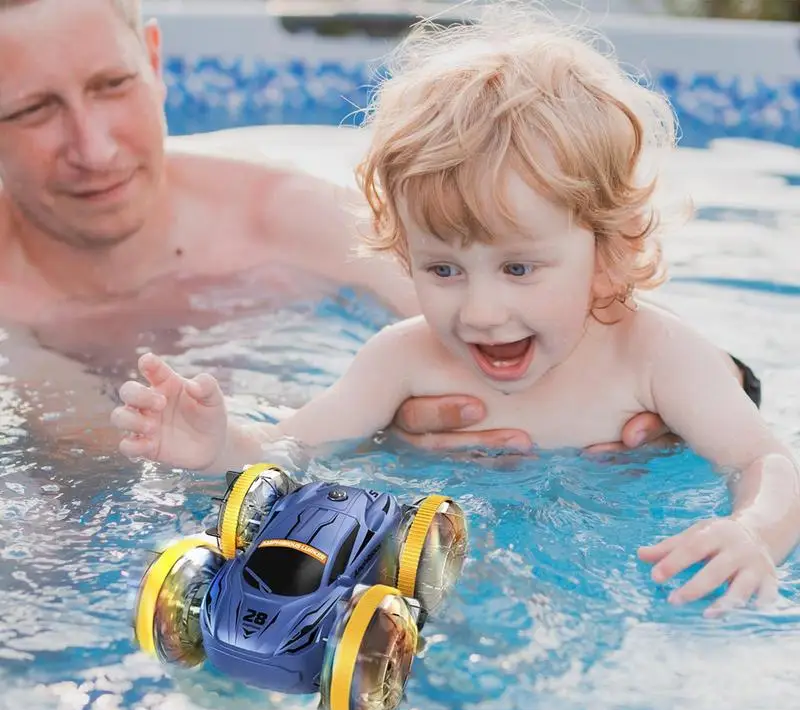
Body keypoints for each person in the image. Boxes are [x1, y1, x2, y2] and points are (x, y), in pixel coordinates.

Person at [112, 6, 799, 615]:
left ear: (608, 252)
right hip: (463, 570)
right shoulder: (402, 360)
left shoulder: (653, 355)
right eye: (443, 269)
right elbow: (291, 450)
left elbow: (765, 460)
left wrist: (752, 533)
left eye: (519, 268)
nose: (479, 311)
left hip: (610, 580)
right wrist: (217, 446)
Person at [0, 0, 755, 455]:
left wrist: (683, 395)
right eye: (33, 110)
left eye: (113, 85)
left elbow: (546, 279)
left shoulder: (288, 219)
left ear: (155, 59)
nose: (93, 148)